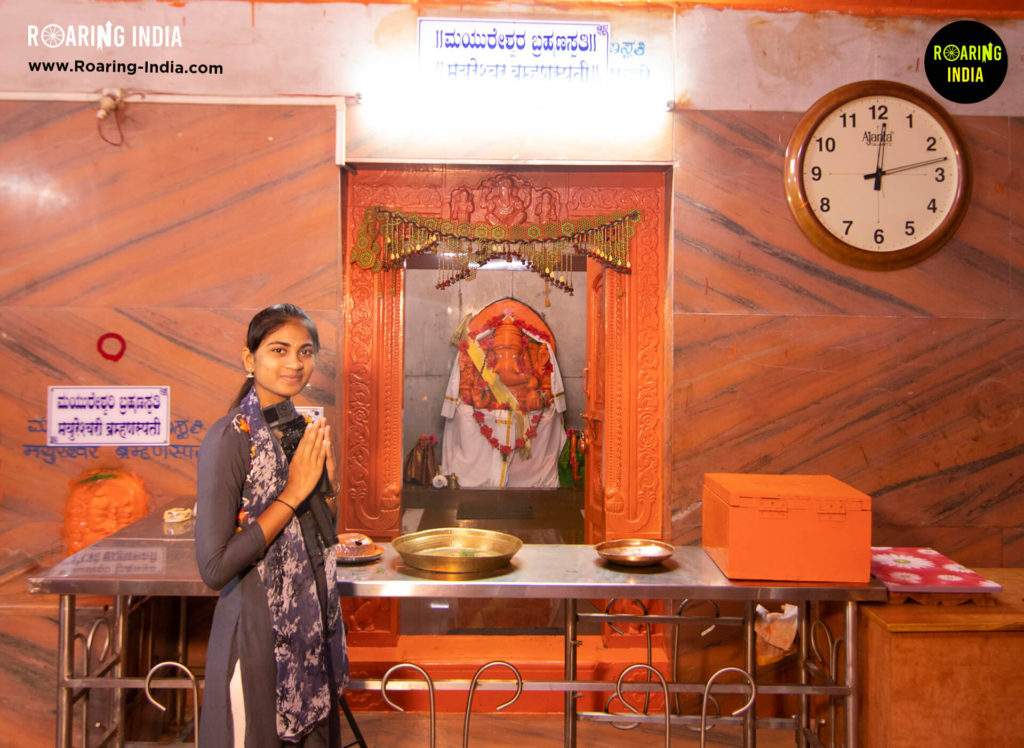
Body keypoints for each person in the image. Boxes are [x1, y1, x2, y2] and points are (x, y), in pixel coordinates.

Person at [195, 303, 348, 748]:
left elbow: (315, 540)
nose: (294, 363)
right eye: (278, 350)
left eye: (305, 351)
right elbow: (214, 568)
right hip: (257, 635)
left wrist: (329, 489)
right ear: (250, 360)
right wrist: (295, 492)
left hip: (310, 631)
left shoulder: (296, 427)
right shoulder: (230, 437)